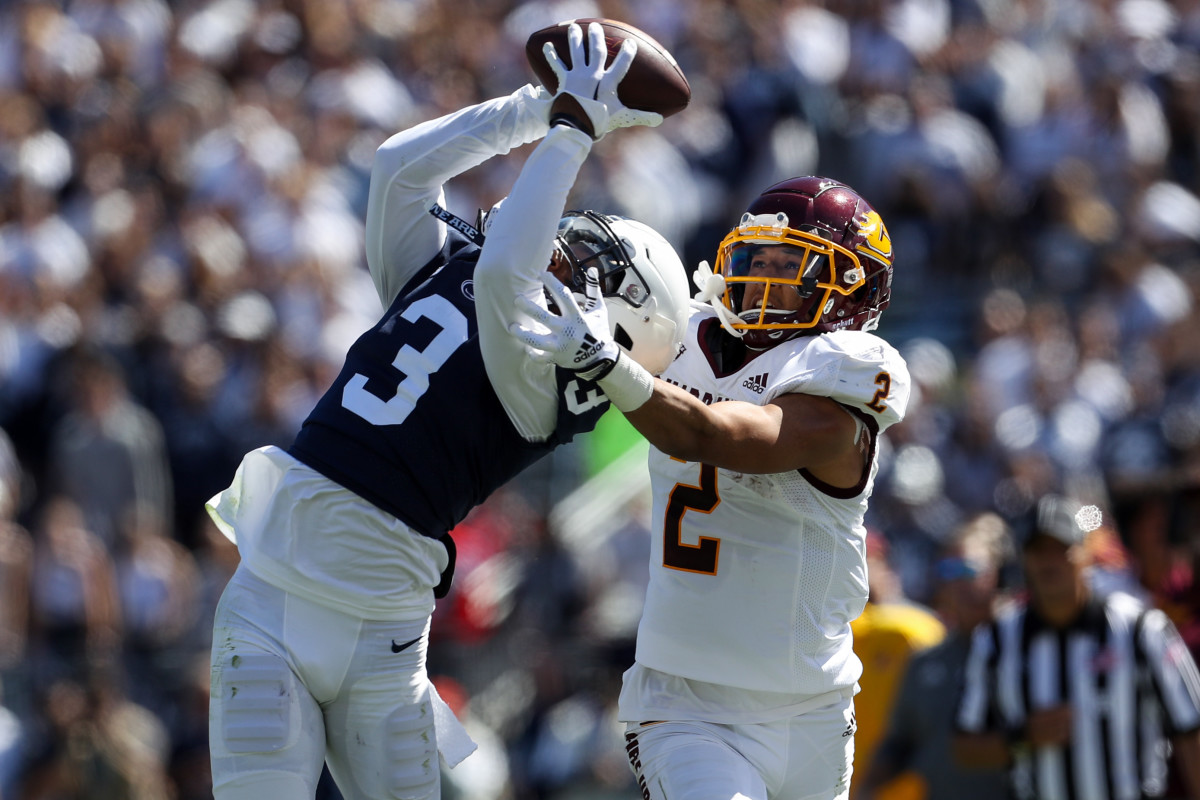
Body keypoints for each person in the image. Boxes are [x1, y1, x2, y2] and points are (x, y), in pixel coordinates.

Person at [205, 22, 691, 800]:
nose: (564, 242)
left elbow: (507, 273)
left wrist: (573, 132)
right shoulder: (449, 275)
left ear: (622, 317)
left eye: (592, 257)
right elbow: (399, 169)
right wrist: (536, 107)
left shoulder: (546, 385)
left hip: (382, 638)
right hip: (272, 595)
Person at [515, 176, 909, 799]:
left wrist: (606, 361)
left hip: (816, 707)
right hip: (686, 706)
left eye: (792, 265)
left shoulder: (850, 371)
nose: (766, 281)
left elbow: (724, 437)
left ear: (853, 285)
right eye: (757, 261)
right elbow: (594, 273)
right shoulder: (679, 334)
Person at [954, 495, 1200, 800]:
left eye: (1061, 550)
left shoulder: (1142, 629)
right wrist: (1024, 737)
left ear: (1085, 554)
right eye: (1038, 551)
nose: (1049, 562)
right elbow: (965, 745)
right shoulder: (994, 639)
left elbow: (1192, 730)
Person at [858, 513, 1013, 800]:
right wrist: (864, 792)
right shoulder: (926, 661)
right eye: (947, 570)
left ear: (999, 573)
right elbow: (899, 742)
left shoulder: (1026, 649)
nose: (958, 582)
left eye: (968, 569)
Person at [849, 531, 945, 799]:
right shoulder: (837, 626)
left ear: (887, 569)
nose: (853, 568)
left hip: (902, 784)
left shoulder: (911, 628)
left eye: (866, 559)